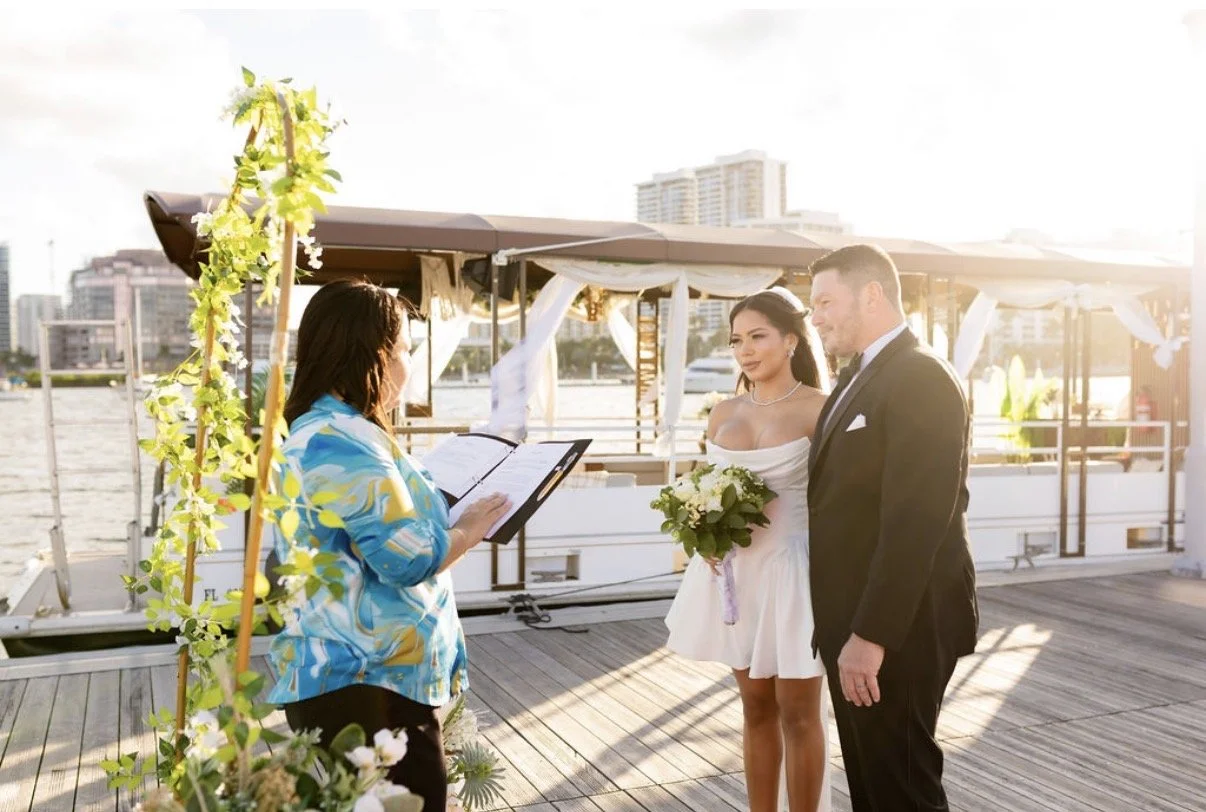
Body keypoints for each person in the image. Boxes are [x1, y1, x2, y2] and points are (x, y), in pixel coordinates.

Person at [265, 279, 511, 810]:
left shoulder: (330, 429)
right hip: (366, 685)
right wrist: (468, 526)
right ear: (372, 354)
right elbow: (405, 558)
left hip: (360, 679)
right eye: (402, 351)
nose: (407, 366)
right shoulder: (340, 439)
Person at [806, 245, 978, 811]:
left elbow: (917, 520)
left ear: (872, 294)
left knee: (902, 788)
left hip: (898, 630)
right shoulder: (861, 375)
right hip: (854, 625)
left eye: (826, 301)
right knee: (873, 786)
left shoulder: (920, 376)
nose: (816, 316)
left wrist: (871, 636)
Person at [665, 286, 832, 812]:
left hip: (794, 573)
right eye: (737, 340)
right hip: (736, 576)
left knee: (799, 713)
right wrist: (703, 536)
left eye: (758, 336)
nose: (746, 350)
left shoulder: (820, 409)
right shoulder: (721, 413)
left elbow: (841, 501)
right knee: (755, 708)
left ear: (790, 340)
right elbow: (705, 489)